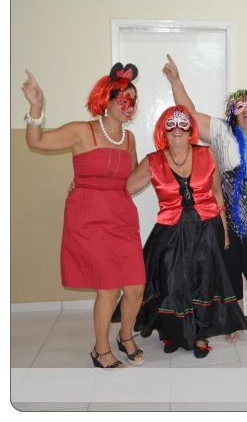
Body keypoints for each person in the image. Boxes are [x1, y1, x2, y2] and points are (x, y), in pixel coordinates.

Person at [21, 63, 146, 368]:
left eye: (133, 99)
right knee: (108, 287)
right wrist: (37, 107)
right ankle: (100, 349)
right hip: (88, 218)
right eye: (124, 98)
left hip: (122, 217)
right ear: (107, 99)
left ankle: (125, 335)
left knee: (135, 286)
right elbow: (36, 142)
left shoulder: (129, 140)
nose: (129, 105)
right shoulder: (82, 131)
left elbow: (128, 180)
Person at [162, 55, 247, 345]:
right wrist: (175, 80)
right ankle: (234, 321)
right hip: (226, 220)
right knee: (231, 270)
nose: (245, 111)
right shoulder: (221, 131)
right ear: (233, 114)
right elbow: (190, 114)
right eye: (239, 107)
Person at [126, 105, 247, 358]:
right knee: (173, 283)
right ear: (163, 131)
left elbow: (217, 194)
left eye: (183, 126)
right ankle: (173, 332)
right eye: (171, 127)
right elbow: (124, 188)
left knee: (203, 282)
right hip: (171, 231)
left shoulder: (207, 154)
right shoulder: (153, 161)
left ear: (190, 130)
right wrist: (88, 183)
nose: (177, 131)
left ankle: (200, 334)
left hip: (207, 228)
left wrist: (224, 231)